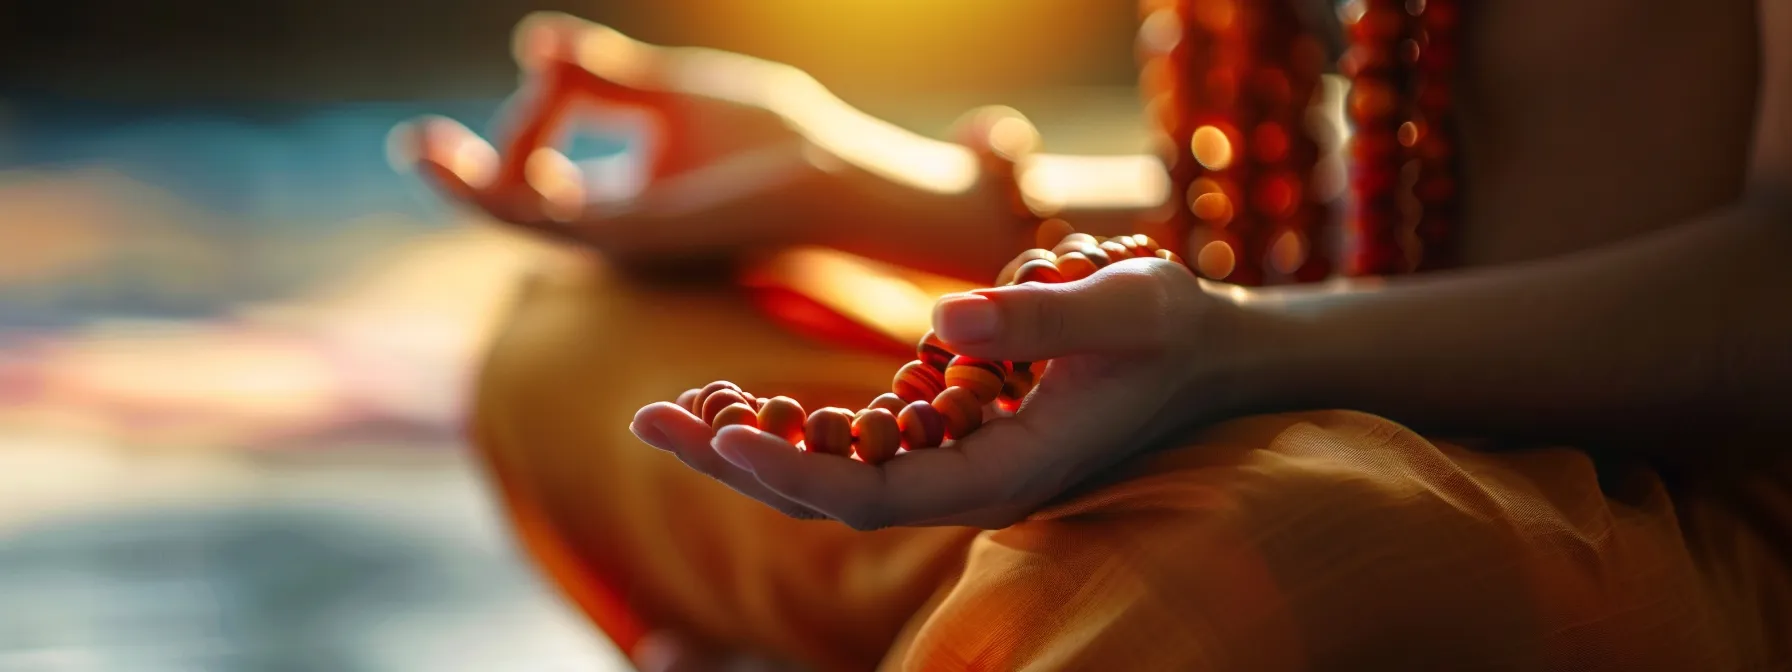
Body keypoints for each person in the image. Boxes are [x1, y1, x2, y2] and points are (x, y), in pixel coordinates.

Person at [407, 4, 1791, 669]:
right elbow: (1365, 187)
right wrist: (859, 184)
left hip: (1669, 498)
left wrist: (1247, 351)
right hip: (1302, 370)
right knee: (584, 336)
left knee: (1286, 534)